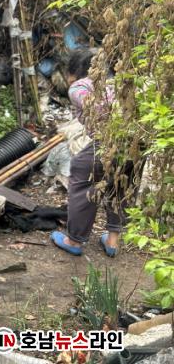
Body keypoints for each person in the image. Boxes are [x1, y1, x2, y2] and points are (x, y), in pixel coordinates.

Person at [51, 49, 125, 257]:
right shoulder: (117, 81)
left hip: (110, 140)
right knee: (120, 183)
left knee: (82, 173)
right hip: (134, 143)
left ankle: (74, 240)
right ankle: (112, 241)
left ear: (74, 70)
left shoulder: (79, 87)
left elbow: (99, 109)